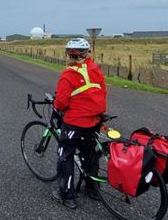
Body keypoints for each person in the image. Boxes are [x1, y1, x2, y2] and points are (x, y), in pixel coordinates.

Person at [51, 38, 107, 209]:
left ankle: (67, 195)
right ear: (86, 53)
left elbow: (61, 103)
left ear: (68, 53)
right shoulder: (95, 69)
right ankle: (92, 189)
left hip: (75, 122)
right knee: (89, 154)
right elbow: (103, 91)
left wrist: (58, 106)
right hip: (94, 119)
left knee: (65, 155)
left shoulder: (68, 74)